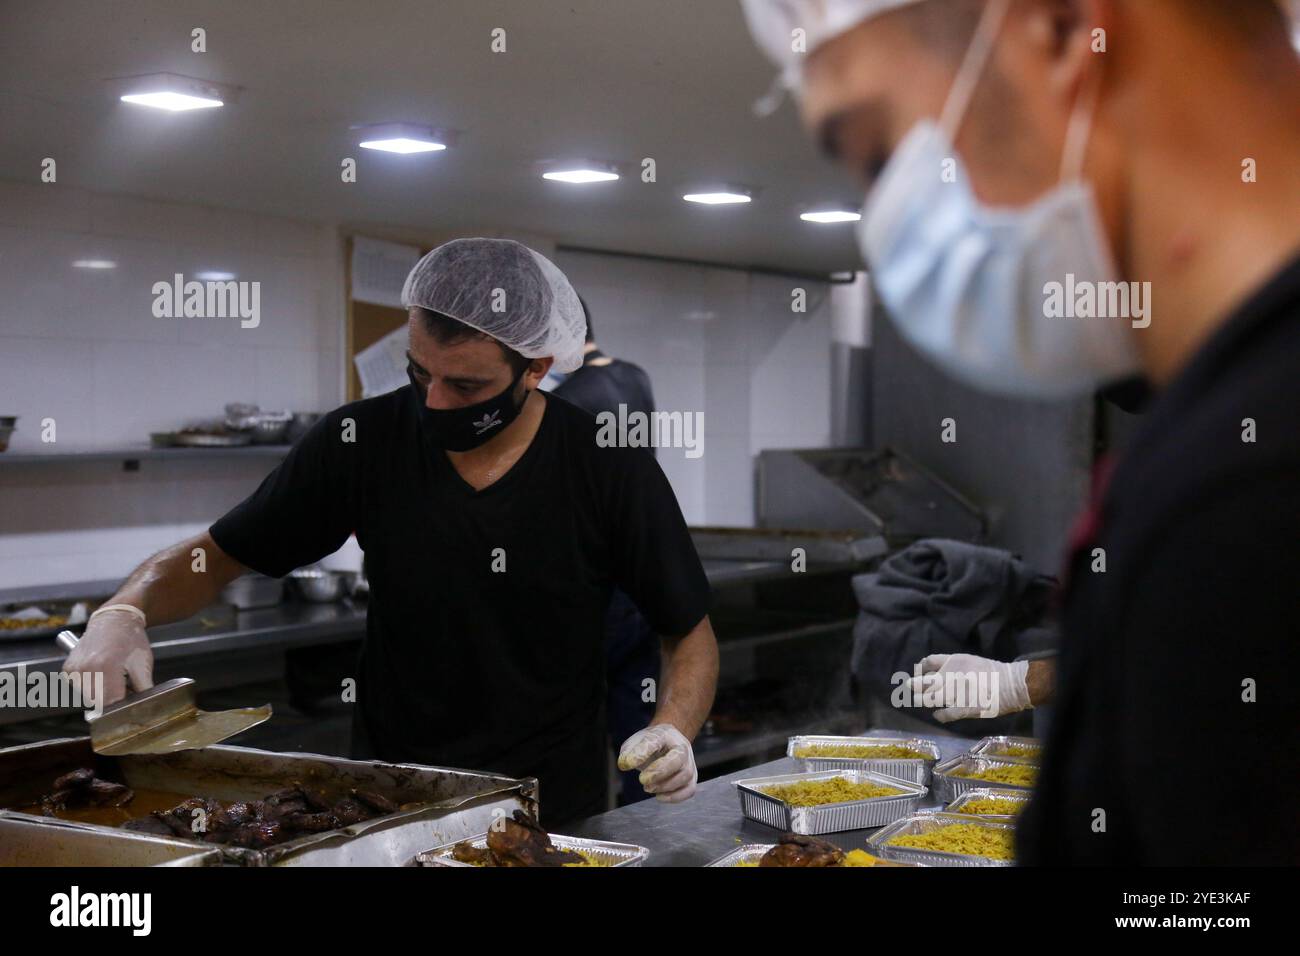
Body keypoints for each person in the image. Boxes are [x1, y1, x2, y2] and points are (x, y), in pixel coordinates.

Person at [741, 0, 1300, 863]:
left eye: (885, 152)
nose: (887, 227)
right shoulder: (1207, 449)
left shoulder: (1237, 493)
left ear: (1066, 28)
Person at [63, 238, 719, 826]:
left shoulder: (605, 462)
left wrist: (672, 731)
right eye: (418, 372)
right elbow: (218, 558)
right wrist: (125, 611)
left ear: (535, 368)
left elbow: (687, 632)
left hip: (550, 802)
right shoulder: (359, 442)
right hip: (389, 795)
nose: (434, 401)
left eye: (465, 387)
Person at [553, 301, 662, 804]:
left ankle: (591, 842)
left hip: (593, 588)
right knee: (637, 734)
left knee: (574, 737)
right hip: (639, 576)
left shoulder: (566, 401)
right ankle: (647, 842)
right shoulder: (634, 377)